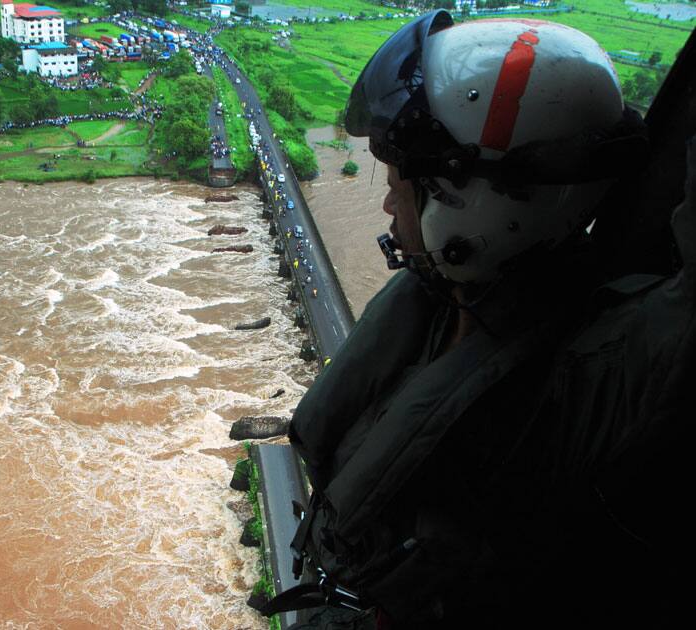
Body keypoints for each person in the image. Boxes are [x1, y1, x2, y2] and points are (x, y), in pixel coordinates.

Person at [264, 11, 694, 629]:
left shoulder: (607, 365)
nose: (385, 203)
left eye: (399, 185)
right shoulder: (452, 300)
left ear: (478, 208)